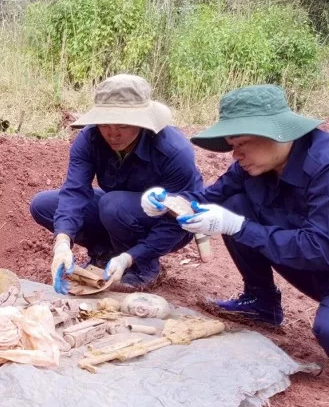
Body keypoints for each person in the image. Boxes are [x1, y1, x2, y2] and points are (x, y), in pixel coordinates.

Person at [154, 84, 329, 383]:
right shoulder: (253, 166)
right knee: (234, 205)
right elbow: (208, 202)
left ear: (278, 133)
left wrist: (236, 226)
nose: (236, 155)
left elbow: (320, 249)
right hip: (316, 264)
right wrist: (166, 202)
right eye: (233, 145)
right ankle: (261, 303)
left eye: (243, 143)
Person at [29, 74, 203, 291]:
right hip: (116, 211)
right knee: (44, 205)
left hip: (168, 223)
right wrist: (62, 243)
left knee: (113, 205)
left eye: (122, 125)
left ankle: (143, 268)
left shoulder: (174, 151)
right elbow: (74, 192)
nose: (112, 133)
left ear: (142, 122)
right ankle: (104, 254)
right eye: (104, 124)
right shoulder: (90, 139)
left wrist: (131, 257)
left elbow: (181, 220)